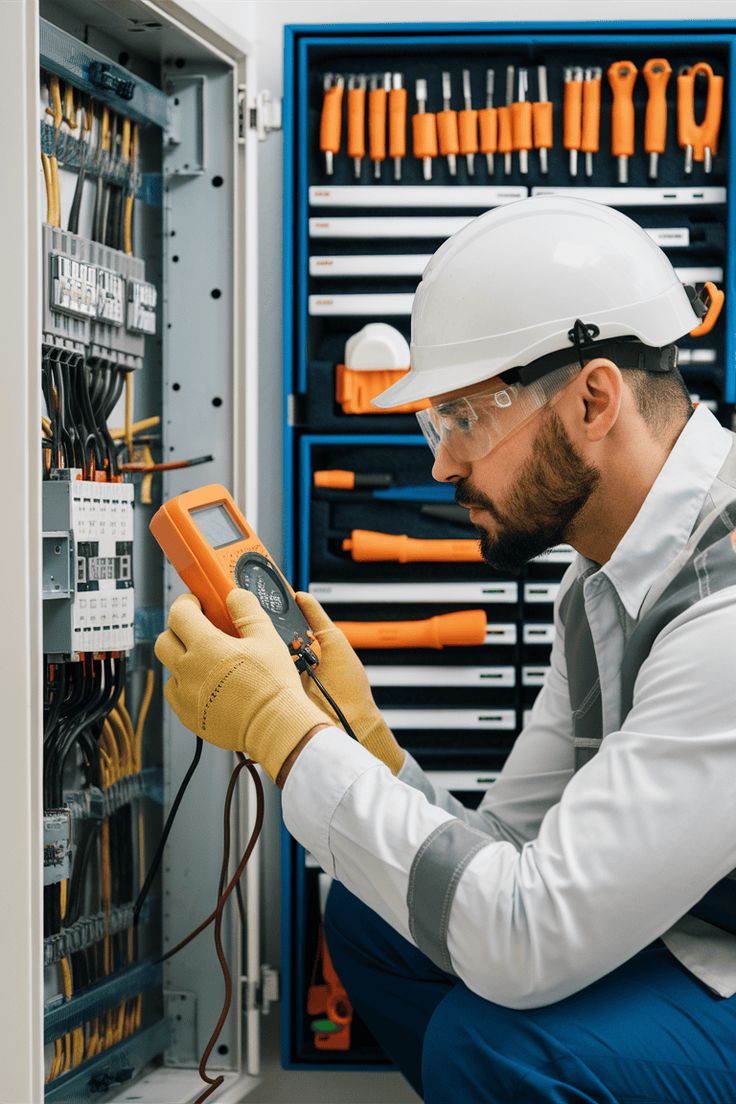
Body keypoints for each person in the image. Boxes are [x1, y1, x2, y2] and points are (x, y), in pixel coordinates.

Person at [155, 196, 736, 1103]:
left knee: (499, 1047)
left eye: (463, 417)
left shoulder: (722, 613)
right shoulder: (606, 578)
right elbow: (507, 848)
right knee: (376, 919)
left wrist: (287, 737)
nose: (441, 464)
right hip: (697, 931)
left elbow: (523, 934)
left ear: (593, 400)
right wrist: (365, 742)